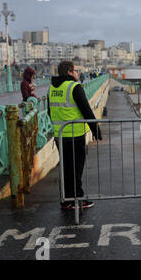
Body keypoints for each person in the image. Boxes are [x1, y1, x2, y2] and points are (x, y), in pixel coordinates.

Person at [48, 61, 102, 210]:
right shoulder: (74, 87)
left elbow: (49, 111)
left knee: (66, 169)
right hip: (75, 135)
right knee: (76, 169)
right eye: (76, 71)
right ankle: (77, 199)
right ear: (70, 72)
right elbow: (86, 110)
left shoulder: (52, 88)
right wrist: (95, 129)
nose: (78, 73)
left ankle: (65, 199)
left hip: (60, 135)